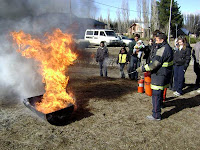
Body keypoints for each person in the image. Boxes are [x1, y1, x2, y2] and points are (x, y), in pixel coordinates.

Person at [136, 33, 173, 121]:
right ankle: (159, 106)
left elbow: (154, 64)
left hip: (160, 74)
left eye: (156, 40)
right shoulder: (167, 47)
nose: (155, 42)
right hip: (164, 74)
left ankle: (156, 115)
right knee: (159, 93)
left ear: (162, 40)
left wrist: (142, 68)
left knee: (156, 95)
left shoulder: (163, 49)